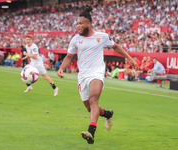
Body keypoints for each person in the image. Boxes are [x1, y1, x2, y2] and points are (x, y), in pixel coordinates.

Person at [57, 5, 137, 144]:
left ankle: (91, 131)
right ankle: (107, 114)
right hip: (82, 76)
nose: (78, 26)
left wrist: (129, 58)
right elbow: (69, 56)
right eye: (77, 24)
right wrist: (61, 68)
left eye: (81, 23)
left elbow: (116, 46)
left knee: (94, 100)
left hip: (97, 73)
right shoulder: (76, 39)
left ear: (89, 23)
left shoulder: (102, 37)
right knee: (90, 108)